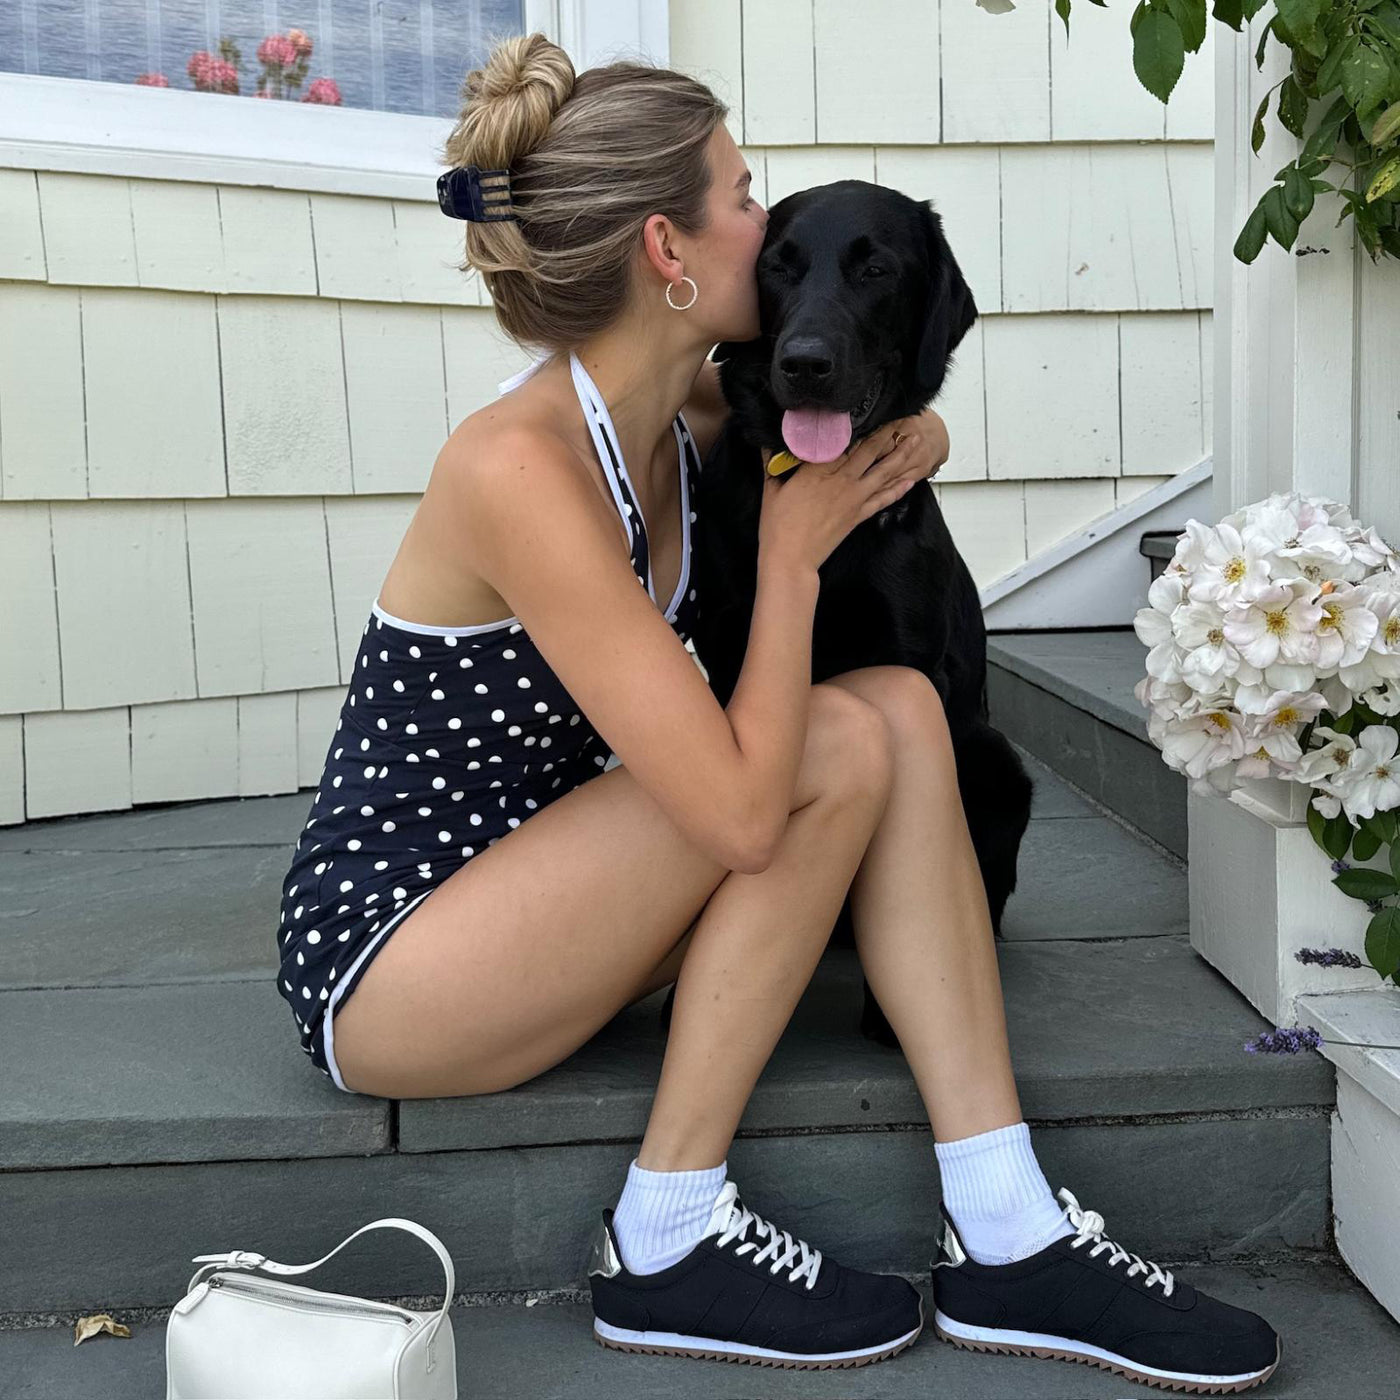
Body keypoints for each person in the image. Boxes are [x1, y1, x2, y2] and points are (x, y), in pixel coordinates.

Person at [273, 31, 1282, 1390]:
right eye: (746, 196)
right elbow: (747, 811)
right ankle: (668, 1236)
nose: (768, 219)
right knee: (835, 738)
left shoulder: (679, 412)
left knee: (904, 712)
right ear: (668, 249)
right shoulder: (519, 465)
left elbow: (887, 428)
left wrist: (906, 437)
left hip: (565, 897)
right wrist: (797, 556)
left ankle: (1010, 1227)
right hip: (404, 965)